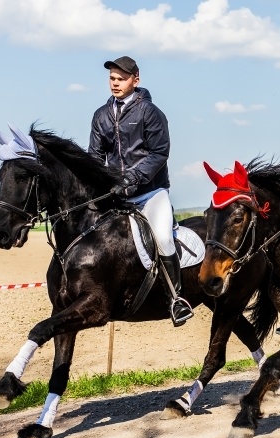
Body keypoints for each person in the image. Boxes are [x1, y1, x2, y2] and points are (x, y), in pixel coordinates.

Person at [88, 56, 191, 327]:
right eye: (112, 78)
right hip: (116, 196)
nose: (115, 83)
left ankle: (176, 299)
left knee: (163, 239)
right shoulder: (100, 115)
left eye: (121, 79)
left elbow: (159, 153)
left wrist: (131, 178)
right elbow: (95, 157)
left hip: (150, 193)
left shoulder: (150, 112)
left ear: (136, 80)